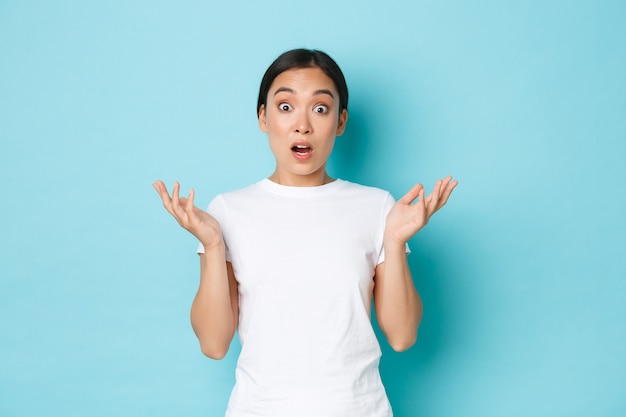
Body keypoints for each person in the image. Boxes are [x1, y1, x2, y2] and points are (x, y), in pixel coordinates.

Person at [153, 48, 457, 417]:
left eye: (320, 108)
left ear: (340, 122)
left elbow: (403, 335)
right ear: (263, 117)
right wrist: (213, 244)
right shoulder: (227, 211)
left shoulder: (377, 207)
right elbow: (214, 344)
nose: (302, 125)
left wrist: (394, 242)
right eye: (285, 107)